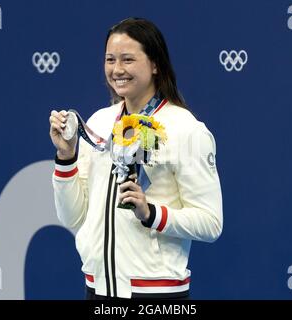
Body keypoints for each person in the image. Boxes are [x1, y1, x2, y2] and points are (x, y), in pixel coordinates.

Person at [49, 17, 223, 300]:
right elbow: (72, 216)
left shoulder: (187, 130)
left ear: (155, 64)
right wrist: (66, 156)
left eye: (128, 59)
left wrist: (151, 214)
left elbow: (211, 222)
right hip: (97, 291)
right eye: (110, 59)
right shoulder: (99, 123)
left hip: (155, 296)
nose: (117, 70)